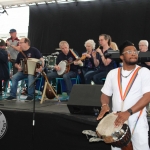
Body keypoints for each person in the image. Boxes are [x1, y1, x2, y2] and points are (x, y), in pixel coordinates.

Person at [97, 40, 150, 150]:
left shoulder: (144, 72)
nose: (134, 53)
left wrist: (128, 112)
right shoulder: (112, 73)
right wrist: (104, 105)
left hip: (137, 120)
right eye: (129, 51)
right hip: (116, 122)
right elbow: (105, 94)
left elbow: (147, 96)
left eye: (135, 51)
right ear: (121, 56)